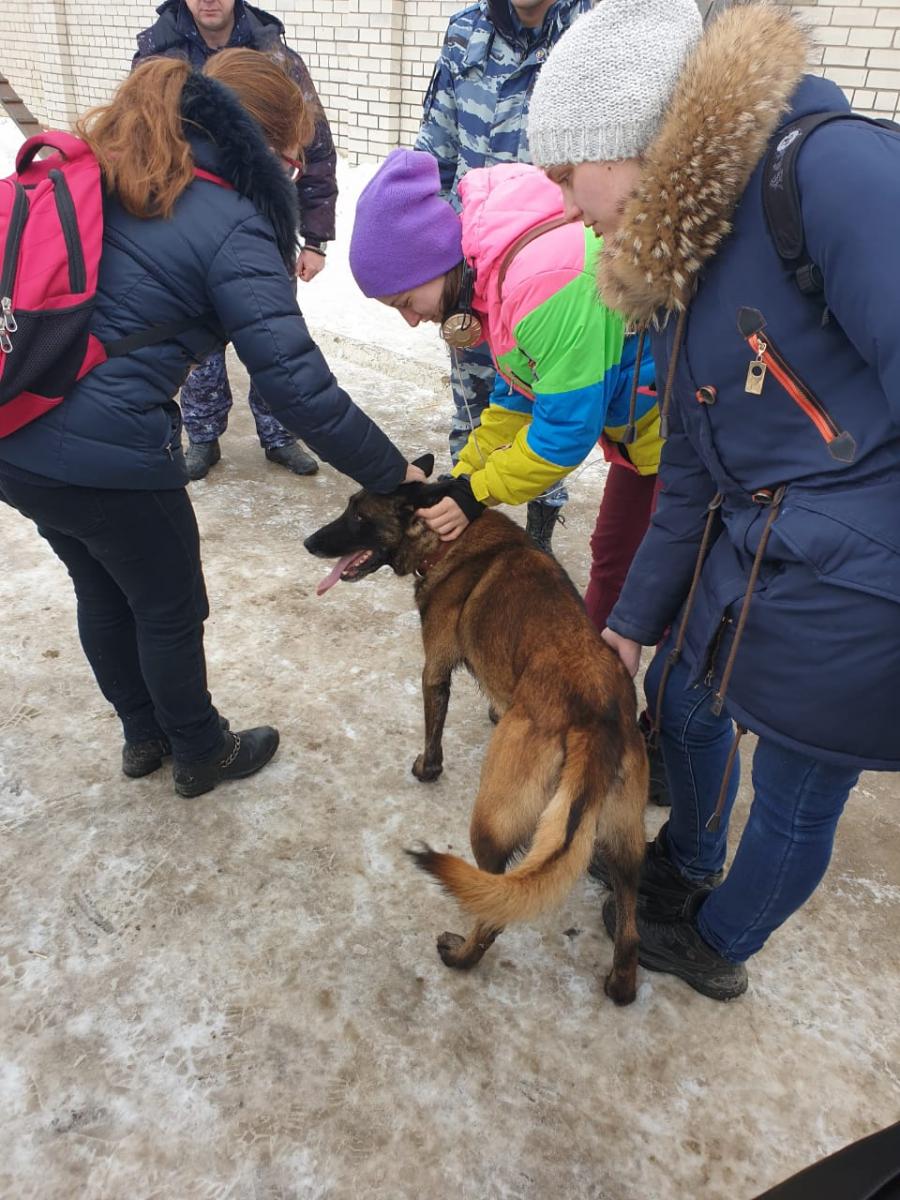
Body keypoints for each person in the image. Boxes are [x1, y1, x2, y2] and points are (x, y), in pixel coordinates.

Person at [528, 0, 900, 999]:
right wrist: (630, 625)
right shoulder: (684, 263)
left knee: (794, 794)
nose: (565, 203)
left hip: (863, 587)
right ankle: (688, 860)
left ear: (631, 140)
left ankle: (718, 941)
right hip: (757, 557)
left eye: (568, 172)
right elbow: (690, 471)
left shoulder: (832, 174)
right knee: (681, 703)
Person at [0, 51, 424, 798]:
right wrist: (396, 475)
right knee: (168, 604)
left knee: (100, 588)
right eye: (294, 153)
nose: (297, 170)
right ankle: (200, 751)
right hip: (106, 456)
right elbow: (297, 386)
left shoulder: (123, 166)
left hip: (17, 428)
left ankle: (143, 735)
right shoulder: (232, 221)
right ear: (263, 143)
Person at [349, 149, 660, 583]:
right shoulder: (492, 280)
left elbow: (564, 432)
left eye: (405, 302)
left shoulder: (541, 285)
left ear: (430, 260)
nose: (412, 319)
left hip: (684, 434)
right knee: (614, 560)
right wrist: (458, 477)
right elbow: (518, 401)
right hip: (641, 437)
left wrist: (475, 493)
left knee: (668, 581)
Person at [134, 0, 337, 480]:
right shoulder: (157, 55)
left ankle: (279, 434)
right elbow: (143, 143)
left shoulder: (277, 59)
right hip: (185, 228)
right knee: (198, 347)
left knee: (271, 334)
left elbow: (316, 147)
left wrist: (315, 238)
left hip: (266, 229)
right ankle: (202, 436)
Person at [415, 0, 590, 551]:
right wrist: (434, 266)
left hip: (554, 269)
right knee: (477, 403)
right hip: (468, 270)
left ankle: (538, 529)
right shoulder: (465, 30)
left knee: (552, 397)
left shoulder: (593, 30)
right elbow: (434, 153)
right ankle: (469, 520)